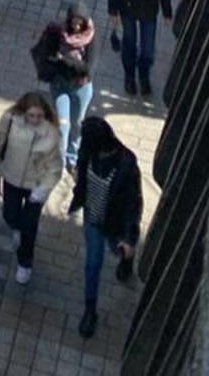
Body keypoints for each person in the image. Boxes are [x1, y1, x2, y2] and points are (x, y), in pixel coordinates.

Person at [69, 115, 143, 339]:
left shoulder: (126, 163)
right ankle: (90, 310)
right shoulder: (88, 151)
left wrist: (129, 237)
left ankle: (126, 260)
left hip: (116, 224)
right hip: (93, 218)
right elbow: (81, 172)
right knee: (92, 265)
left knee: (117, 249)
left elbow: (133, 202)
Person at [0, 91, 64, 284]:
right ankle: (17, 229)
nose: (35, 119)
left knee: (29, 227)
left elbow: (55, 167)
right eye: (31, 115)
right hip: (12, 178)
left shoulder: (51, 133)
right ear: (24, 111)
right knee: (10, 215)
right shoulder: (10, 120)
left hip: (36, 185)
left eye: (39, 116)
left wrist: (43, 190)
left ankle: (25, 263)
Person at [32, 3, 97, 170]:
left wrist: (64, 59)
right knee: (62, 125)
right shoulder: (59, 33)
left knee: (77, 123)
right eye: (73, 22)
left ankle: (73, 157)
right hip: (60, 85)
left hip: (81, 88)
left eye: (79, 22)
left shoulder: (91, 38)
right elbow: (49, 57)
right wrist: (65, 62)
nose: (76, 26)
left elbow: (87, 69)